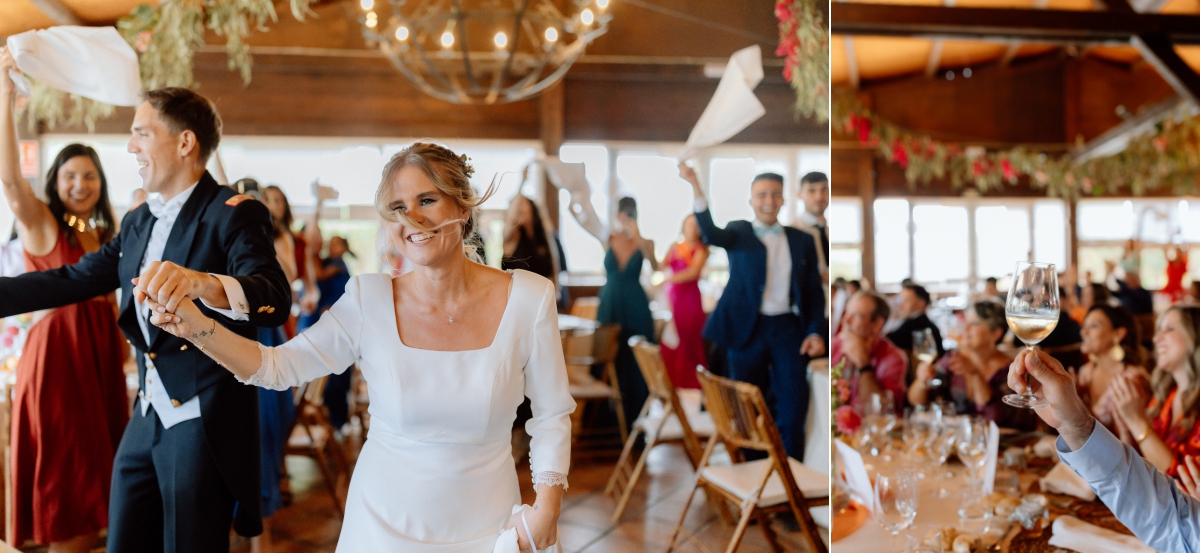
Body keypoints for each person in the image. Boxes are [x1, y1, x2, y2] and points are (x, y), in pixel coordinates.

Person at [146, 142, 573, 552]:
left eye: (427, 200)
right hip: (382, 527)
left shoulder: (529, 298)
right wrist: (196, 327)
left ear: (462, 207)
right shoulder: (369, 300)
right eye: (398, 208)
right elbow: (275, 367)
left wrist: (546, 509)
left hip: (490, 523)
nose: (412, 220)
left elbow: (552, 413)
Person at [0, 87, 291, 552]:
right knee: (124, 542)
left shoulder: (233, 213)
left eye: (141, 133)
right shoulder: (138, 221)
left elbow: (274, 297)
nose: (131, 146)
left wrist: (203, 283)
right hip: (146, 413)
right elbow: (70, 279)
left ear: (184, 143)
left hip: (201, 416)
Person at [1, 48, 128, 553]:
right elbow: (12, 182)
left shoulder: (107, 235)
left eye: (89, 176)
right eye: (69, 175)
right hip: (56, 362)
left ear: (101, 184)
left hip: (99, 362)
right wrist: (6, 101)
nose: (79, 184)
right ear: (55, 181)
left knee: (102, 483)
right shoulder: (43, 226)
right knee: (68, 482)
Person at [677, 164, 824, 459]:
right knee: (745, 407)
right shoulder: (738, 232)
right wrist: (695, 186)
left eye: (774, 195)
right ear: (751, 200)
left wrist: (815, 331)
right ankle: (752, 471)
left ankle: (790, 477)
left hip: (787, 329)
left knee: (793, 405)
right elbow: (710, 232)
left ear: (783, 199)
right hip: (747, 329)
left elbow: (813, 293)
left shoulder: (802, 240)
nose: (768, 201)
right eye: (761, 195)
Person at [1009, 347, 1200, 553]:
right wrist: (1073, 422)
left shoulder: (1133, 379)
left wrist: (1134, 423)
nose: (1156, 338)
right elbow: (1174, 525)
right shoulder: (1165, 396)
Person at [255, 184, 301, 553]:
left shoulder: (278, 236)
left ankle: (263, 528)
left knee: (267, 421)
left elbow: (289, 276)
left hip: (269, 327)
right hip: (244, 325)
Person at [909, 300, 1036, 430]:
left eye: (974, 324)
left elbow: (992, 419)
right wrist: (921, 381)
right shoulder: (953, 359)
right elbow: (915, 402)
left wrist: (975, 373)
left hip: (1003, 444)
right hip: (957, 442)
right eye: (966, 322)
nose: (965, 328)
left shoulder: (1011, 370)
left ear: (995, 333)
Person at [1107, 306, 1200, 476]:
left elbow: (1179, 480)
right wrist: (1127, 430)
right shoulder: (1167, 394)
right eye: (1158, 331)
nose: (1156, 338)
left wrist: (1137, 421)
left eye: (1169, 329)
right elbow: (1142, 464)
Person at [597, 196, 658, 430]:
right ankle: (606, 421)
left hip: (636, 304)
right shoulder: (608, 238)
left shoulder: (645, 242)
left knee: (636, 359)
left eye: (630, 212)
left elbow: (657, 267)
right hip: (610, 303)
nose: (626, 216)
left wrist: (639, 236)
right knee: (610, 353)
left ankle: (636, 417)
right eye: (623, 212)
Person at [1075, 304, 1147, 441]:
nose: (1084, 332)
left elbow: (1131, 446)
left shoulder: (1132, 379)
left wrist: (1080, 408)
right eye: (1085, 325)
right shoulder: (1086, 372)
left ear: (1118, 334)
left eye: (1094, 326)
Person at [834, 291, 906, 414]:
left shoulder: (894, 359)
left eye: (856, 315)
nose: (846, 320)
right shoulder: (835, 345)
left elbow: (882, 413)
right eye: (847, 312)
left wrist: (863, 363)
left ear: (877, 324)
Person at [661, 215, 709, 389]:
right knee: (672, 338)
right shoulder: (675, 247)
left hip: (689, 300)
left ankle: (692, 381)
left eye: (696, 226)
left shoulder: (701, 249)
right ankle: (671, 380)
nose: (692, 229)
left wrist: (669, 279)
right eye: (689, 225)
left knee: (689, 339)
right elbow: (660, 266)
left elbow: (693, 272)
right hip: (673, 298)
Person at [501, 194, 557, 283]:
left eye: (522, 203)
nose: (519, 208)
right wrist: (522, 183)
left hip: (542, 294)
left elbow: (554, 269)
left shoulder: (543, 238)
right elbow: (511, 218)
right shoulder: (511, 239)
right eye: (516, 205)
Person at [885, 283, 945, 357]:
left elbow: (886, 342)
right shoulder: (928, 324)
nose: (901, 305)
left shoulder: (913, 325)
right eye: (901, 300)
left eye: (906, 300)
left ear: (921, 303)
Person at [792, 171, 828, 277]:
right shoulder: (794, 232)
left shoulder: (829, 230)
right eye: (811, 191)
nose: (819, 197)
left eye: (824, 190)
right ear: (799, 194)